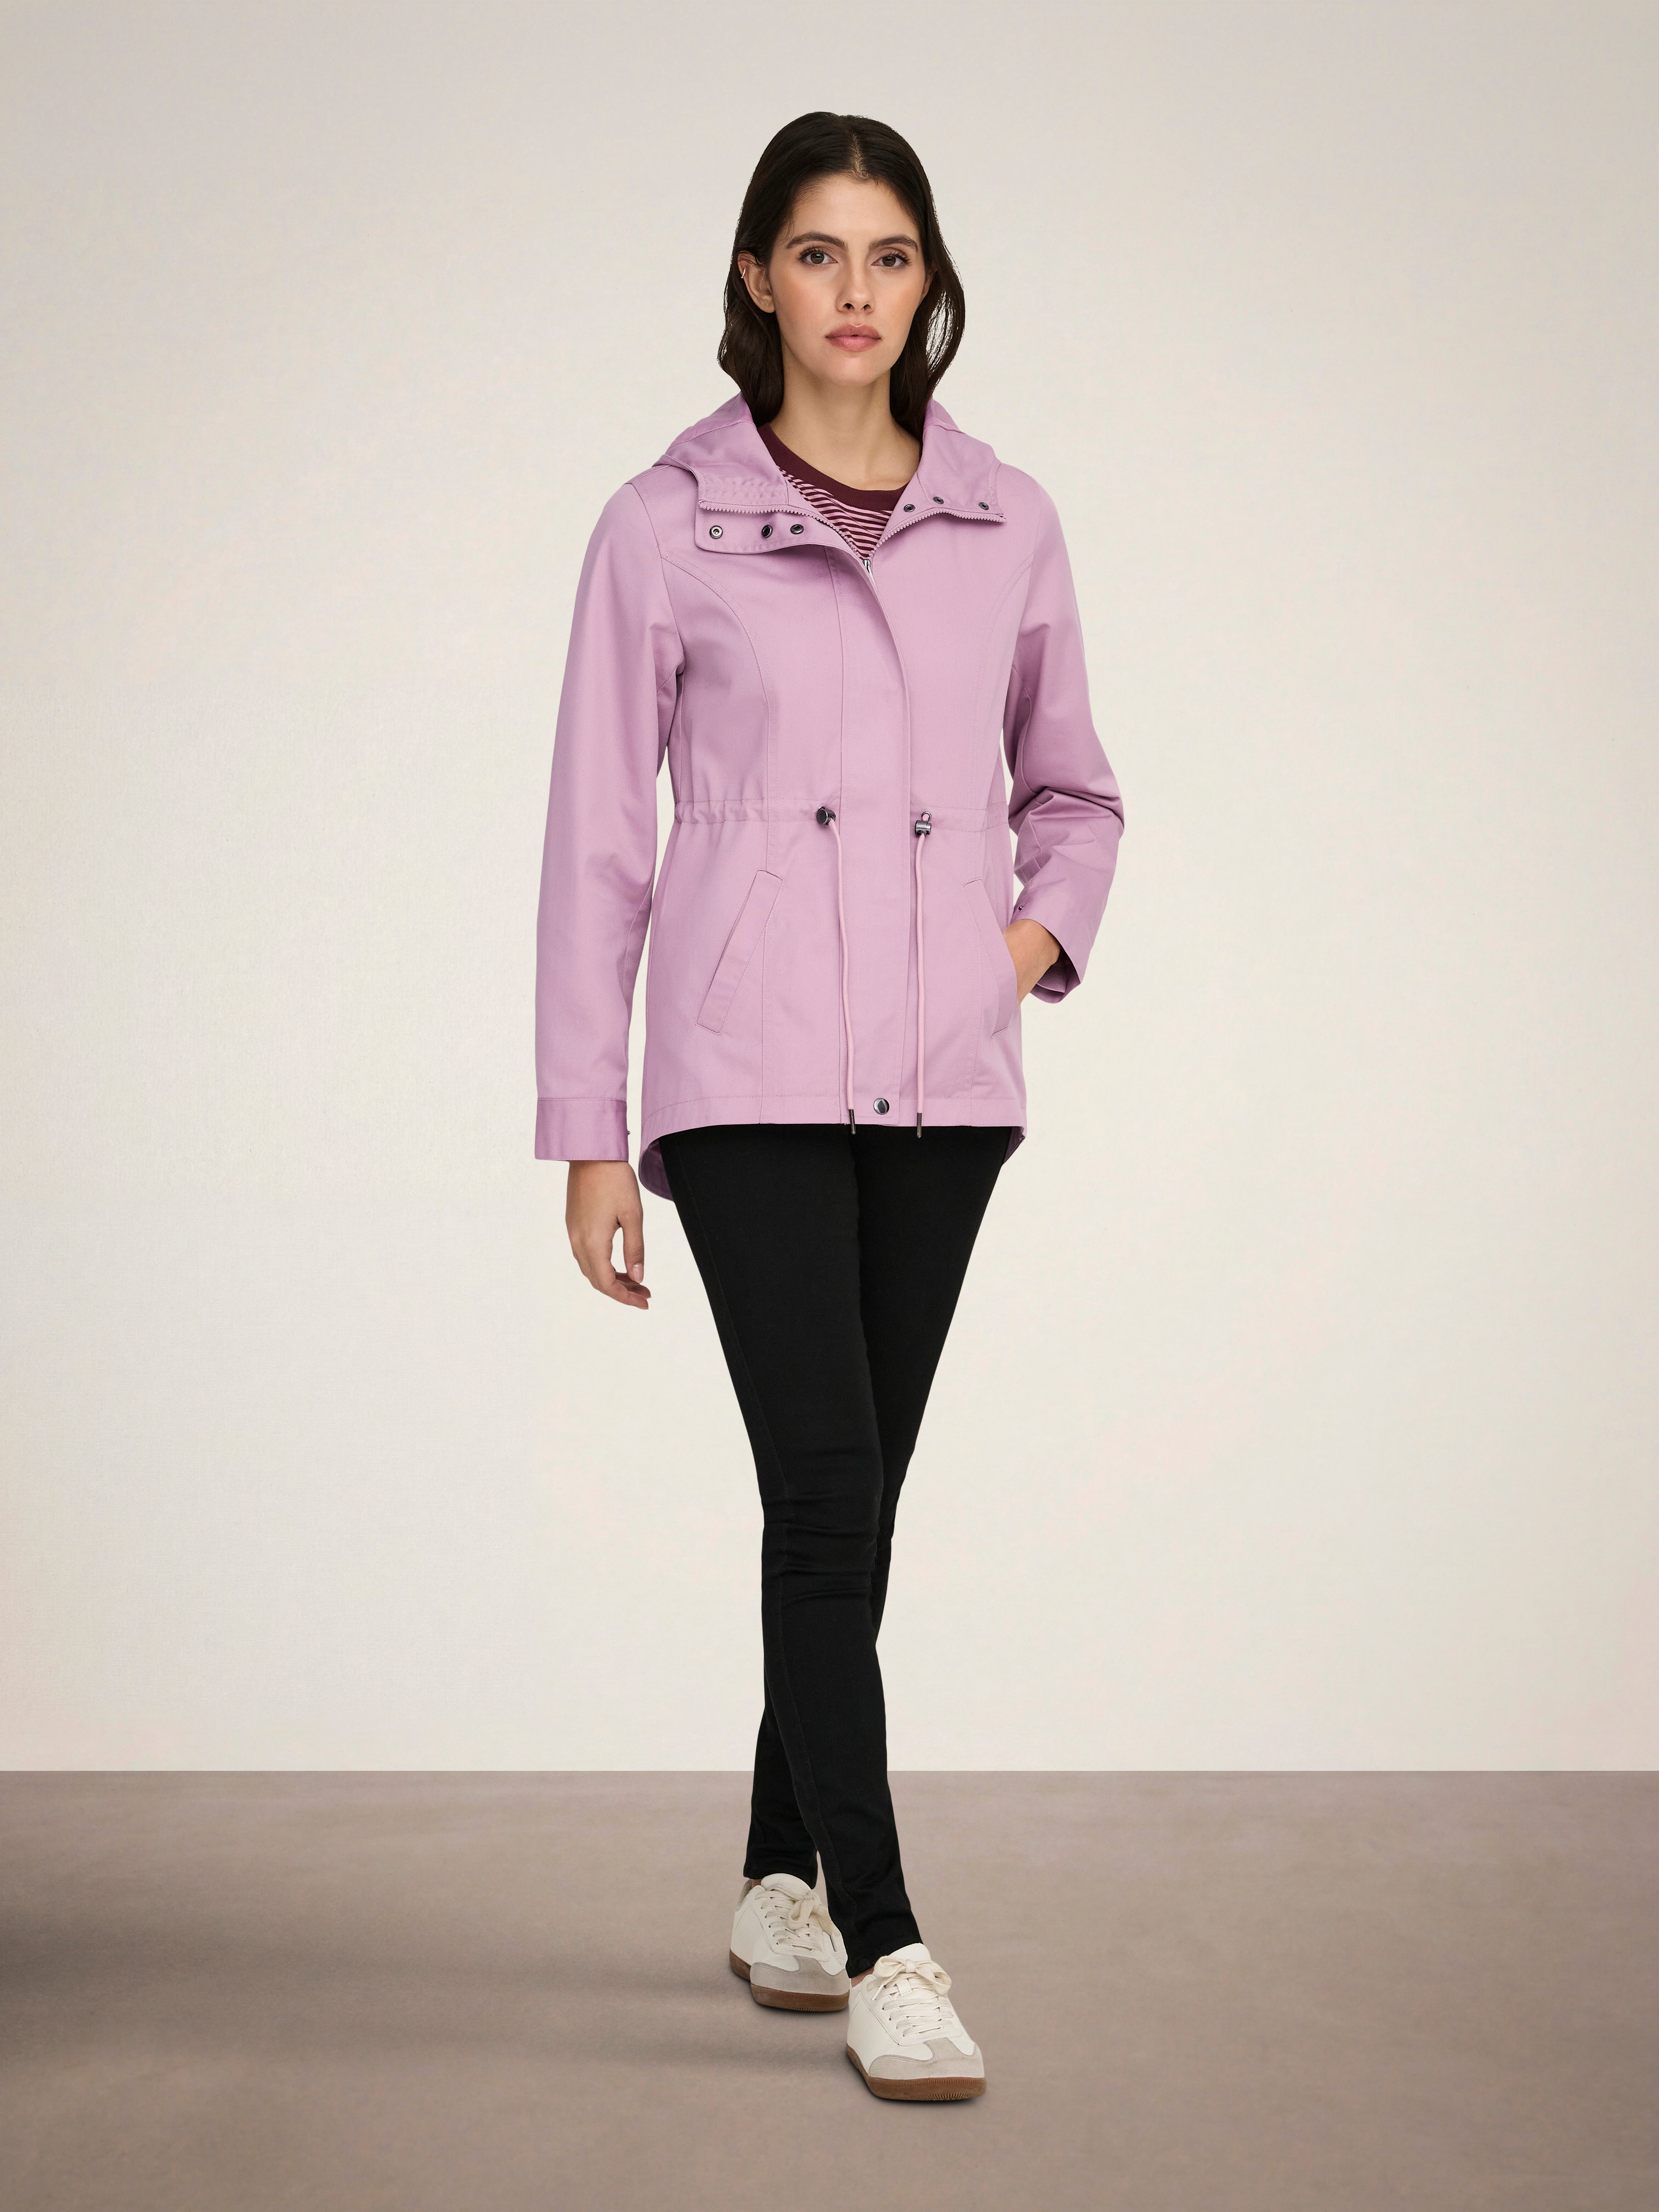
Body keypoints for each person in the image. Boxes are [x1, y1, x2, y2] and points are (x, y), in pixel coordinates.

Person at [534, 111, 1124, 2102]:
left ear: (928, 279)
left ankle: (775, 1875)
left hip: (946, 1090)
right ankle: (886, 1938)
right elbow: (597, 841)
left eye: (887, 255)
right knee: (826, 1489)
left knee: (852, 1506)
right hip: (747, 1078)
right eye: (816, 252)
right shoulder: (663, 526)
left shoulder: (1006, 519)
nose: (854, 292)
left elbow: (1078, 795)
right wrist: (590, 1128)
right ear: (757, 280)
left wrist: (1012, 956)